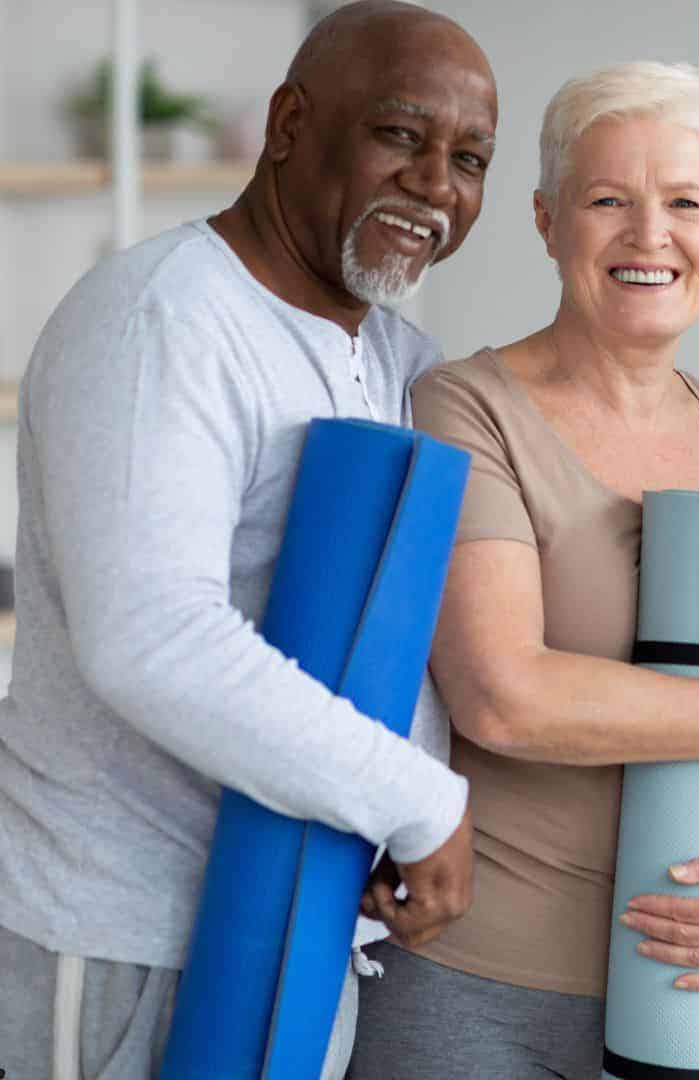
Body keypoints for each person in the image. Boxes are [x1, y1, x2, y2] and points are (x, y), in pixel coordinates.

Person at [0, 3, 496, 1077]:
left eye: (470, 160)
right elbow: (150, 636)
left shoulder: (404, 357)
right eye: (402, 137)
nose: (436, 186)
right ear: (288, 124)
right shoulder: (164, 319)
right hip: (129, 940)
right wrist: (416, 800)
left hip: (300, 927)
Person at [345, 61, 699, 1079]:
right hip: (479, 985)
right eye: (610, 201)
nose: (651, 235)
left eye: (685, 203)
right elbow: (506, 697)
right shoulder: (464, 409)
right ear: (548, 221)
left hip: (690, 986)